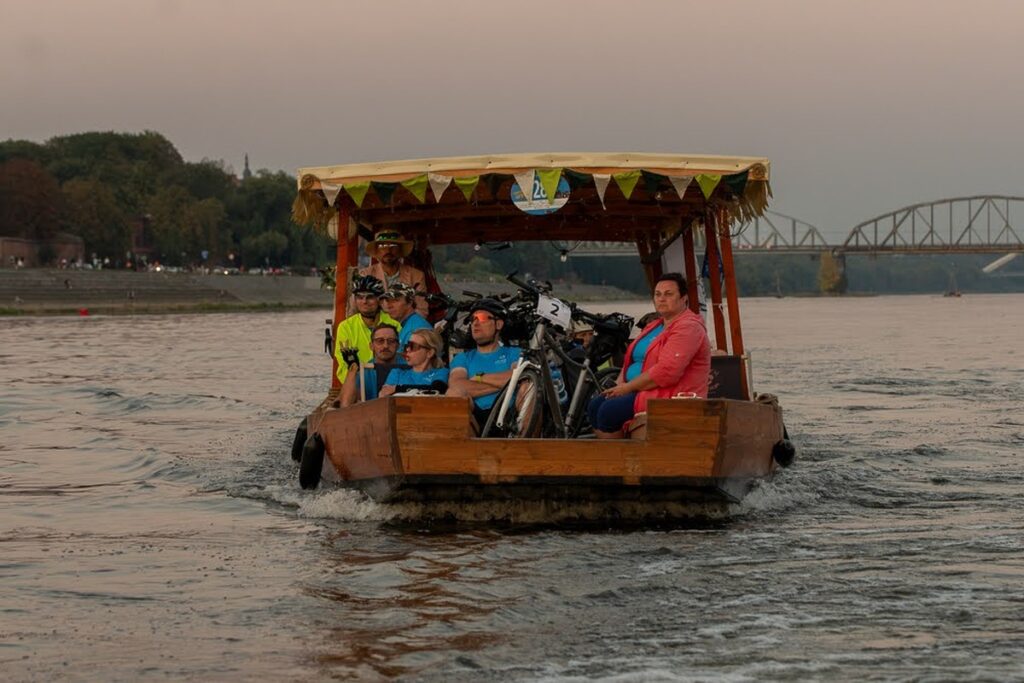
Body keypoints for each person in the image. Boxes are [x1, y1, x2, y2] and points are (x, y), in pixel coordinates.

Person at [587, 272, 710, 439]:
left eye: (669, 294)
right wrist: (619, 384)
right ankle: (615, 459)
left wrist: (627, 388)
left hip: (669, 394)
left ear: (684, 298)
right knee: (594, 406)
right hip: (640, 389)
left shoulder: (688, 328)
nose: (661, 299)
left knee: (608, 412)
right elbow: (631, 360)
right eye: (658, 294)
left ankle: (624, 459)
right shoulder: (654, 325)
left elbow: (667, 372)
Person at [446, 298, 522, 427]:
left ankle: (525, 442)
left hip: (511, 415)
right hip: (476, 416)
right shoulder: (463, 358)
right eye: (472, 319)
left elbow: (522, 377)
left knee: (527, 386)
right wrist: (509, 384)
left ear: (498, 324)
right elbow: (457, 385)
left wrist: (481, 377)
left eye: (481, 318)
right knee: (453, 394)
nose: (475, 323)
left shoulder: (514, 353)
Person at [334, 275, 400, 383]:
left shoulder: (394, 324)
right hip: (357, 384)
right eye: (360, 297)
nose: (364, 301)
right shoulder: (346, 327)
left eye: (370, 297)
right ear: (354, 300)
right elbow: (343, 363)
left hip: (390, 382)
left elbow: (401, 358)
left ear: (379, 300)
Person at [358, 228, 428, 316]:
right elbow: (356, 308)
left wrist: (406, 327)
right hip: (374, 326)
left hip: (406, 326)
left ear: (400, 250)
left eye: (393, 246)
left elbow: (422, 310)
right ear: (377, 251)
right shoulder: (365, 275)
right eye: (382, 246)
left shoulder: (416, 276)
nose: (388, 250)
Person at [339, 323, 402, 407]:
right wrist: (353, 369)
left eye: (391, 341)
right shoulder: (363, 371)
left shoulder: (410, 367)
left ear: (398, 346)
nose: (386, 346)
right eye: (380, 341)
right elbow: (345, 405)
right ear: (371, 346)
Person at [380, 329, 449, 397]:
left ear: (429, 353)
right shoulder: (397, 373)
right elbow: (383, 396)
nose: (407, 349)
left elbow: (437, 389)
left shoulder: (441, 372)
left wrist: (397, 388)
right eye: (407, 345)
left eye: (413, 346)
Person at [381, 282, 432, 349]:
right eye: (388, 300)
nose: (389, 305)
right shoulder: (410, 324)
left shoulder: (417, 329)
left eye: (395, 300)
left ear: (409, 303)